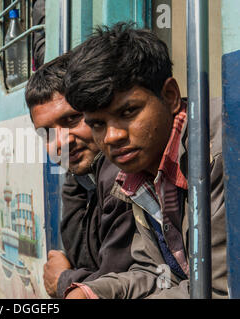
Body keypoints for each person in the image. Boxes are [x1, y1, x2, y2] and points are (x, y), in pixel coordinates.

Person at [64, 22, 227, 299]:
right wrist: (91, 293)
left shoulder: (218, 156)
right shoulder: (135, 174)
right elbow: (157, 272)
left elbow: (219, 290)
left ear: (170, 96)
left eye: (129, 111)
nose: (112, 137)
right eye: (98, 124)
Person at [25, 53, 136, 298]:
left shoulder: (126, 177)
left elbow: (118, 284)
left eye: (72, 119)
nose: (61, 143)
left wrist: (64, 279)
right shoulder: (79, 181)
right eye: (46, 133)